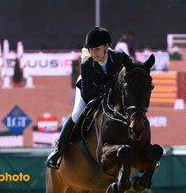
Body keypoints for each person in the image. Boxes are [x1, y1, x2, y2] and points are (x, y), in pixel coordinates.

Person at [46, 26, 129, 169]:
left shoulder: (120, 57)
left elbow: (133, 69)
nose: (93, 53)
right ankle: (57, 151)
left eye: (96, 49)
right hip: (88, 90)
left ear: (106, 46)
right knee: (77, 113)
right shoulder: (86, 65)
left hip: (111, 95)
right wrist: (110, 85)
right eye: (90, 50)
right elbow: (87, 93)